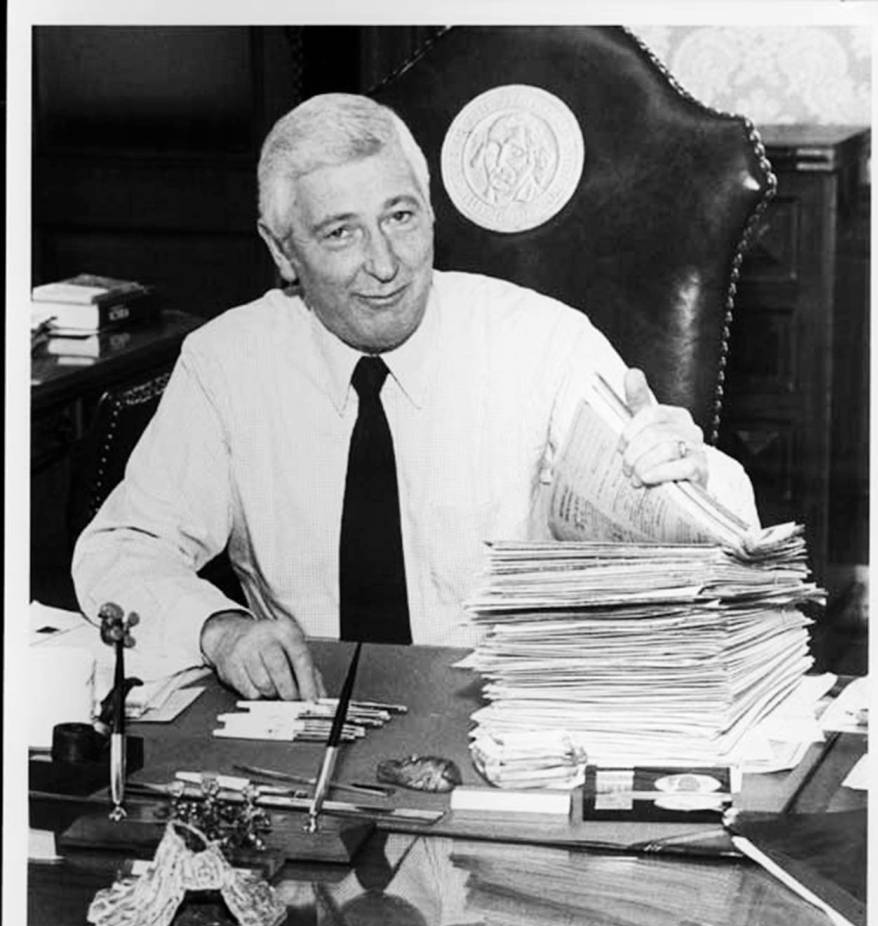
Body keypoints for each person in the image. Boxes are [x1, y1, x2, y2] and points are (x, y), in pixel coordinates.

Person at [72, 93, 759, 704]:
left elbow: (725, 542)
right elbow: (122, 549)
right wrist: (218, 631)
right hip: (305, 726)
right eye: (341, 232)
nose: (384, 262)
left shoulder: (541, 340)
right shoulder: (229, 363)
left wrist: (688, 471)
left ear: (431, 213)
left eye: (400, 216)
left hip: (506, 713)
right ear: (282, 252)